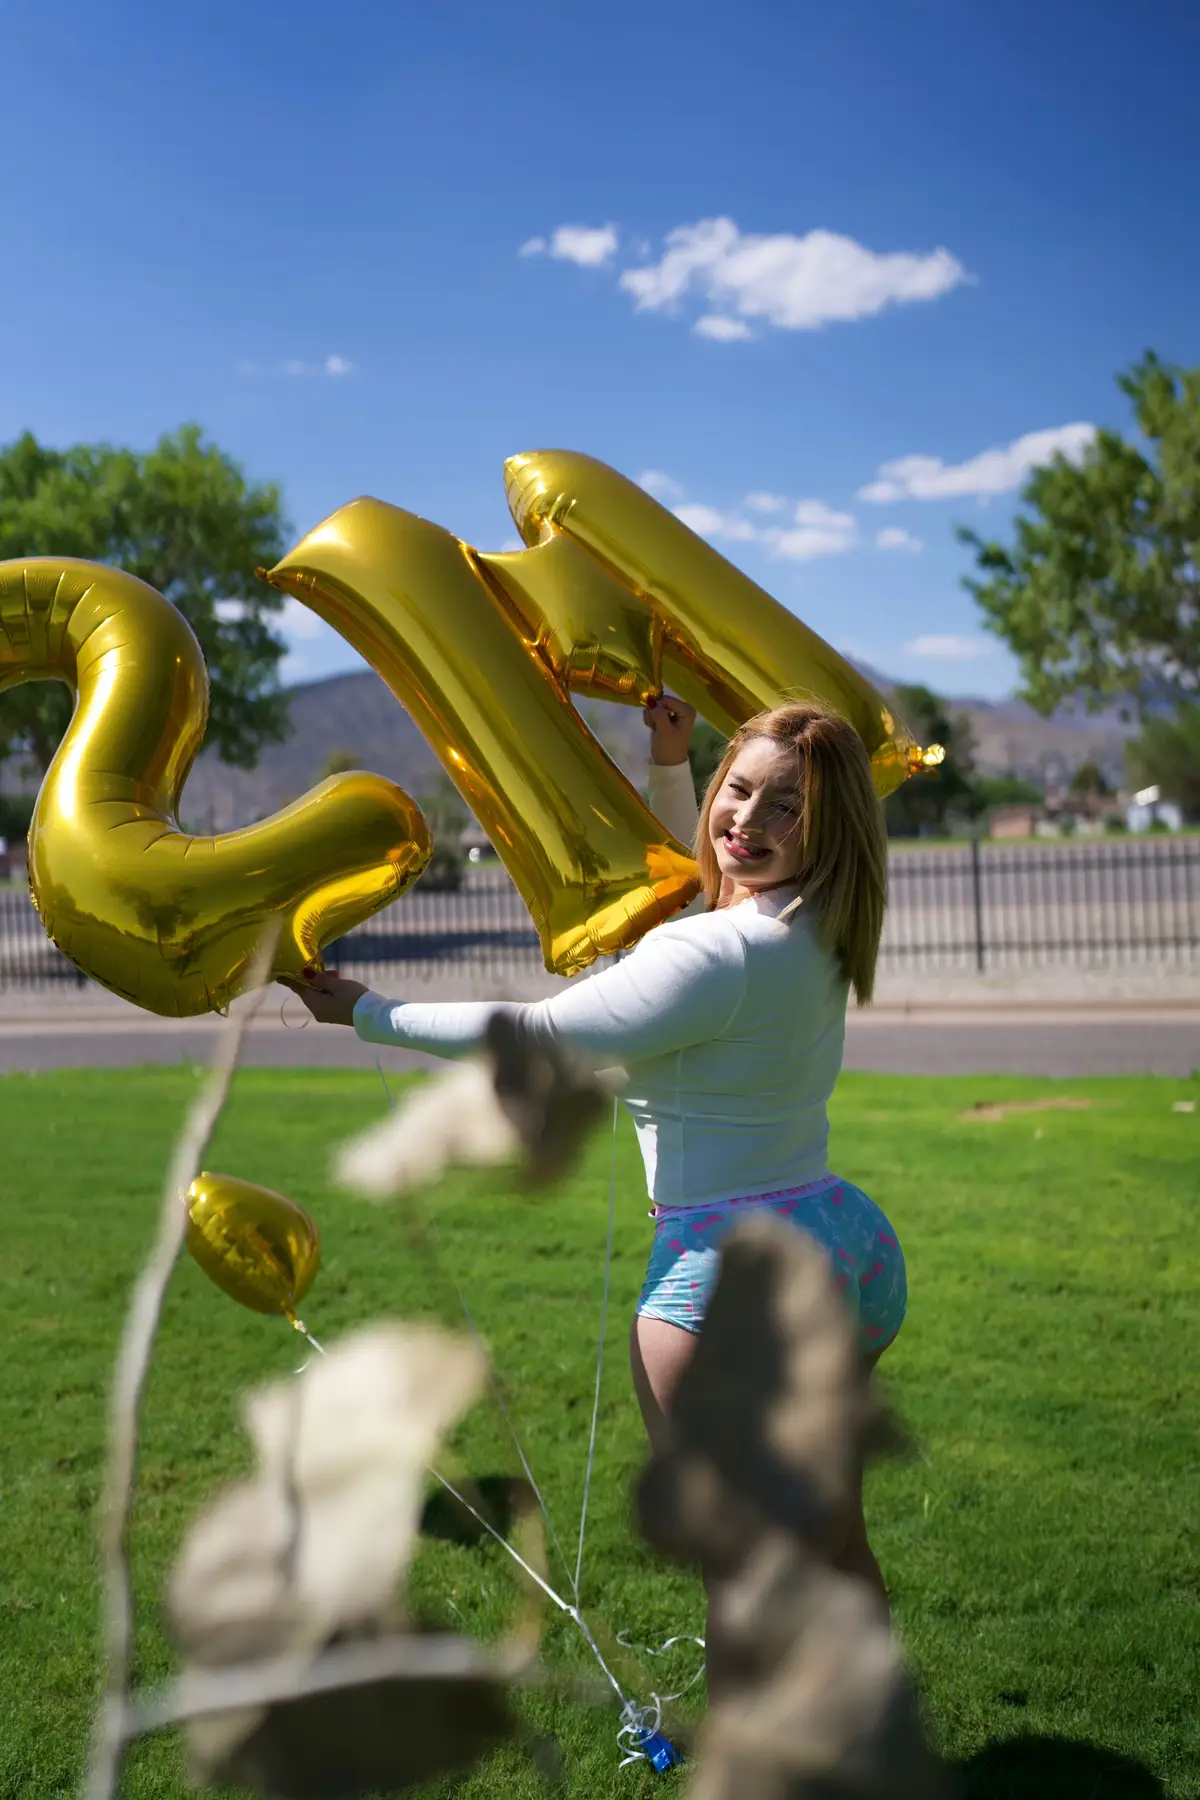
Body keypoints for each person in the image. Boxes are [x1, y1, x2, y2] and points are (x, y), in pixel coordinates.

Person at [284, 696, 906, 1618]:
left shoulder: (717, 956)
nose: (748, 820)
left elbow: (541, 1033)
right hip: (840, 1243)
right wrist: (669, 761)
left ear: (830, 823)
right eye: (739, 791)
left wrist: (369, 1012)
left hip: (726, 1275)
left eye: (788, 807)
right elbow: (696, 893)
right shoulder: (818, 922)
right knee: (833, 1538)